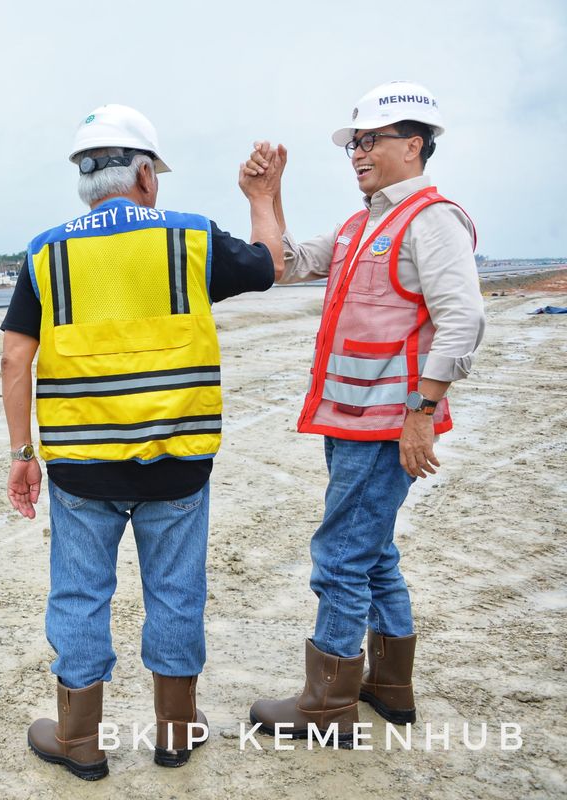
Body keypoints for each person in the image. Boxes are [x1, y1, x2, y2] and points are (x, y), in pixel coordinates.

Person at [0, 103, 282, 780]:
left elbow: (16, 356)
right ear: (146, 174)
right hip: (176, 466)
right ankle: (176, 732)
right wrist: (264, 198)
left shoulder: (47, 251)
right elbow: (270, 263)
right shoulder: (188, 238)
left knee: (78, 597)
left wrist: (21, 455)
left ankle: (79, 741)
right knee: (176, 594)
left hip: (81, 468)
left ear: (84, 178)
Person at [240, 81, 485, 746]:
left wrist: (420, 413)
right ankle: (388, 687)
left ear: (415, 144)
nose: (358, 151)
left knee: (341, 557)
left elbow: (465, 319)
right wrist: (265, 199)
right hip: (354, 422)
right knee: (373, 557)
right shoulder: (362, 224)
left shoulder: (431, 219)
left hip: (385, 424)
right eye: (354, 142)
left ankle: (327, 707)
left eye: (371, 139)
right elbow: (287, 264)